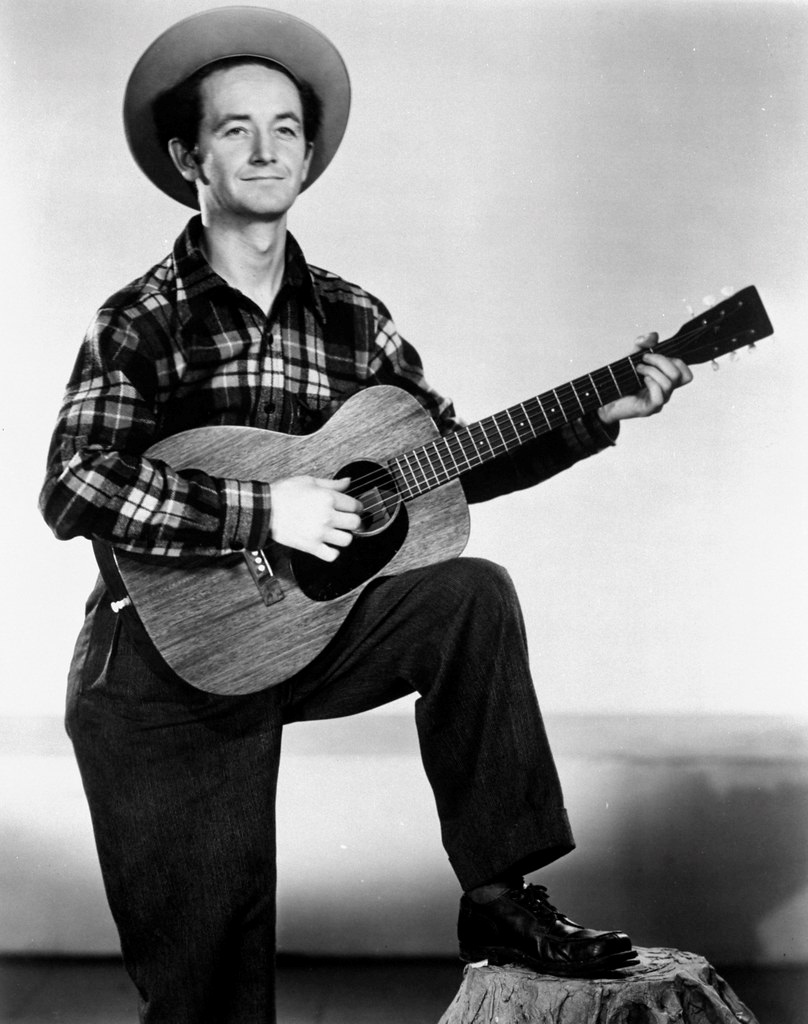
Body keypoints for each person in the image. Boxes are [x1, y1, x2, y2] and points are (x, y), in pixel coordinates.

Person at [39, 8, 692, 1023]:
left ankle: (498, 900)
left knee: (468, 594)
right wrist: (267, 510)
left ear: (308, 152)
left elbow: (441, 469)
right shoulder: (142, 317)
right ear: (188, 158)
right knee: (210, 997)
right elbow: (74, 485)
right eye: (235, 128)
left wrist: (590, 417)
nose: (266, 149)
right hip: (161, 674)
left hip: (306, 635)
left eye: (287, 128)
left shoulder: (353, 317)